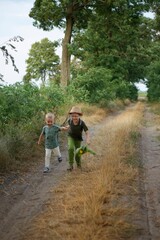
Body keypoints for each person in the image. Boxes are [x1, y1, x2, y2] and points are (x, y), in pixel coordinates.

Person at [66, 106, 90, 171]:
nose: (74, 117)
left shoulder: (82, 123)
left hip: (78, 138)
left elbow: (87, 132)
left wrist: (88, 139)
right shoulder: (70, 120)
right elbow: (69, 126)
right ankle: (70, 165)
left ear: (79, 116)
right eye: (73, 116)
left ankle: (78, 164)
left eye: (76, 116)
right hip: (71, 136)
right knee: (70, 148)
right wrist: (65, 128)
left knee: (77, 152)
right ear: (71, 116)